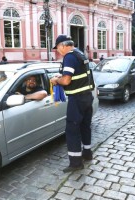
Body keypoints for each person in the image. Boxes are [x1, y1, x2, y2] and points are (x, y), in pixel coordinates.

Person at [50, 35, 95, 173]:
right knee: (85, 127)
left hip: (77, 99)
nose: (58, 51)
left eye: (57, 48)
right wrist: (62, 77)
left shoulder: (69, 57)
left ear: (63, 45)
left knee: (72, 130)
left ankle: (76, 163)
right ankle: (87, 153)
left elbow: (67, 80)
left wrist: (56, 80)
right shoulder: (80, 54)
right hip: (87, 97)